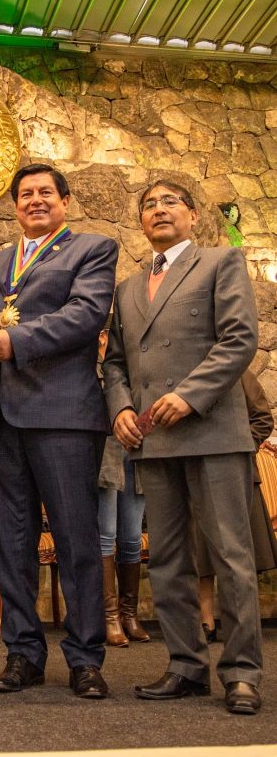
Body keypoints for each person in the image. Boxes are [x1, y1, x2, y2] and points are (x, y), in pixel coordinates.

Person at [103, 179, 263, 715]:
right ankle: (185, 667)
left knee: (230, 556)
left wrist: (189, 396)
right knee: (168, 559)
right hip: (154, 439)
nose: (158, 210)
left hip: (212, 430)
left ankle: (241, 673)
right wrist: (121, 408)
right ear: (141, 223)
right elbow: (116, 362)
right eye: (148, 205)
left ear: (193, 216)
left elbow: (239, 339)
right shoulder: (126, 288)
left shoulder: (221, 264)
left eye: (169, 202)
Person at [0, 163, 118, 699]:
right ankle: (22, 654)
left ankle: (84, 658)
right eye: (25, 194)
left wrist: (17, 342)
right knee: (12, 542)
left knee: (76, 538)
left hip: (62, 415)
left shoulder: (92, 250)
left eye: (45, 193)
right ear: (14, 205)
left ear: (65, 201)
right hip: (3, 416)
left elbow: (85, 315)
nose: (35, 200)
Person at [197, 369, 276, 642]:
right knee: (201, 553)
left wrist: (240, 447)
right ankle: (205, 622)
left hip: (238, 472)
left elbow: (263, 420)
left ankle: (242, 625)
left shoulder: (241, 374)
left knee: (241, 556)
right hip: (195, 473)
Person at [97, 324, 149, 647]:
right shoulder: (91, 368)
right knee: (106, 534)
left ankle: (130, 613)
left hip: (136, 450)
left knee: (131, 536)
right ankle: (109, 615)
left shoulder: (136, 365)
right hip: (104, 452)